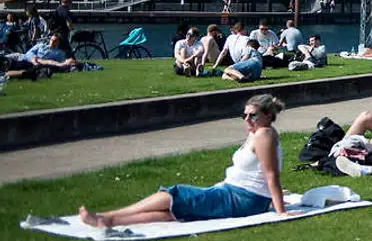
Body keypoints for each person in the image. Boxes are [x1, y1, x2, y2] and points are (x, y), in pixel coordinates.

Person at [79, 95, 291, 226]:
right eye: (245, 115)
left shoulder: (264, 134)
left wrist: (280, 210)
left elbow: (271, 174)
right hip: (235, 193)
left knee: (174, 194)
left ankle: (107, 215)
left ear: (267, 116)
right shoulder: (257, 133)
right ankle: (110, 221)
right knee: (174, 213)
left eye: (253, 115)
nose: (247, 119)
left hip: (242, 199)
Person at [5, 33, 78, 80]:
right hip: (21, 56)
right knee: (5, 57)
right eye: (51, 40)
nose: (52, 42)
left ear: (58, 43)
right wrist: (34, 59)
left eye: (54, 41)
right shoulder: (41, 45)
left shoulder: (58, 53)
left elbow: (59, 63)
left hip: (29, 62)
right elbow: (28, 53)